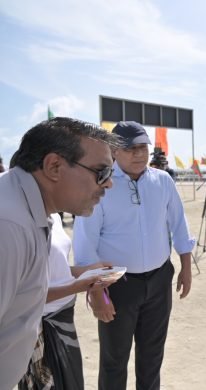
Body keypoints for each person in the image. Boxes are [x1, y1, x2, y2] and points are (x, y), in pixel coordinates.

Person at [73, 121, 195, 390]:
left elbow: (179, 225)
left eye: (143, 147)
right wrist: (97, 294)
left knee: (152, 357)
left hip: (159, 281)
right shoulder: (100, 186)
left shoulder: (162, 181)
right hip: (116, 286)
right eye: (131, 149)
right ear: (114, 151)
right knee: (114, 360)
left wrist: (185, 267)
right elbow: (84, 247)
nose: (139, 154)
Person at [0, 117, 117, 390]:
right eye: (102, 172)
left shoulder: (33, 209)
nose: (109, 185)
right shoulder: (9, 225)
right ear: (54, 166)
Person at [18, 214, 115, 390]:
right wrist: (79, 286)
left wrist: (88, 271)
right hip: (40, 328)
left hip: (63, 322)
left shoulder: (53, 214)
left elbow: (56, 270)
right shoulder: (18, 219)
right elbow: (23, 294)